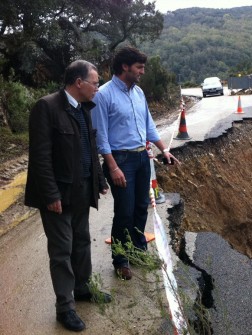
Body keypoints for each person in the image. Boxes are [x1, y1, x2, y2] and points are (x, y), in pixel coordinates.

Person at [25, 60, 111, 332]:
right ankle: (65, 307)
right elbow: (40, 157)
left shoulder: (85, 108)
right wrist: (51, 195)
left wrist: (99, 179)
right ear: (78, 83)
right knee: (62, 251)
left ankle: (83, 288)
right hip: (57, 195)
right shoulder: (47, 107)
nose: (98, 87)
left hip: (81, 189)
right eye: (95, 82)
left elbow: (90, 146)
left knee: (82, 241)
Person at [91, 46, 179, 281]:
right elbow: (101, 137)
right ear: (124, 67)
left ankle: (137, 251)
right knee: (125, 211)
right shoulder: (103, 95)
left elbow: (149, 125)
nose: (142, 72)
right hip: (121, 159)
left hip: (142, 157)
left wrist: (164, 150)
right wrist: (113, 167)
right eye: (139, 67)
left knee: (142, 207)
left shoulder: (138, 93)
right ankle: (120, 260)